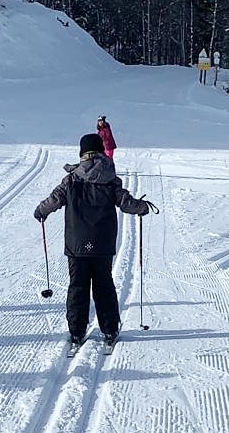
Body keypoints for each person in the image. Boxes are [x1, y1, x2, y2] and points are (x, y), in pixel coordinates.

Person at [33, 133, 152, 350]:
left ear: (82, 154)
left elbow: (53, 200)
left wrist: (41, 211)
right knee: (103, 285)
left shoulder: (70, 179)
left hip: (77, 244)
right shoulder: (110, 179)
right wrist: (142, 208)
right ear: (100, 152)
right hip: (103, 244)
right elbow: (126, 202)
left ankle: (76, 332)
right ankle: (109, 329)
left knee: (77, 285)